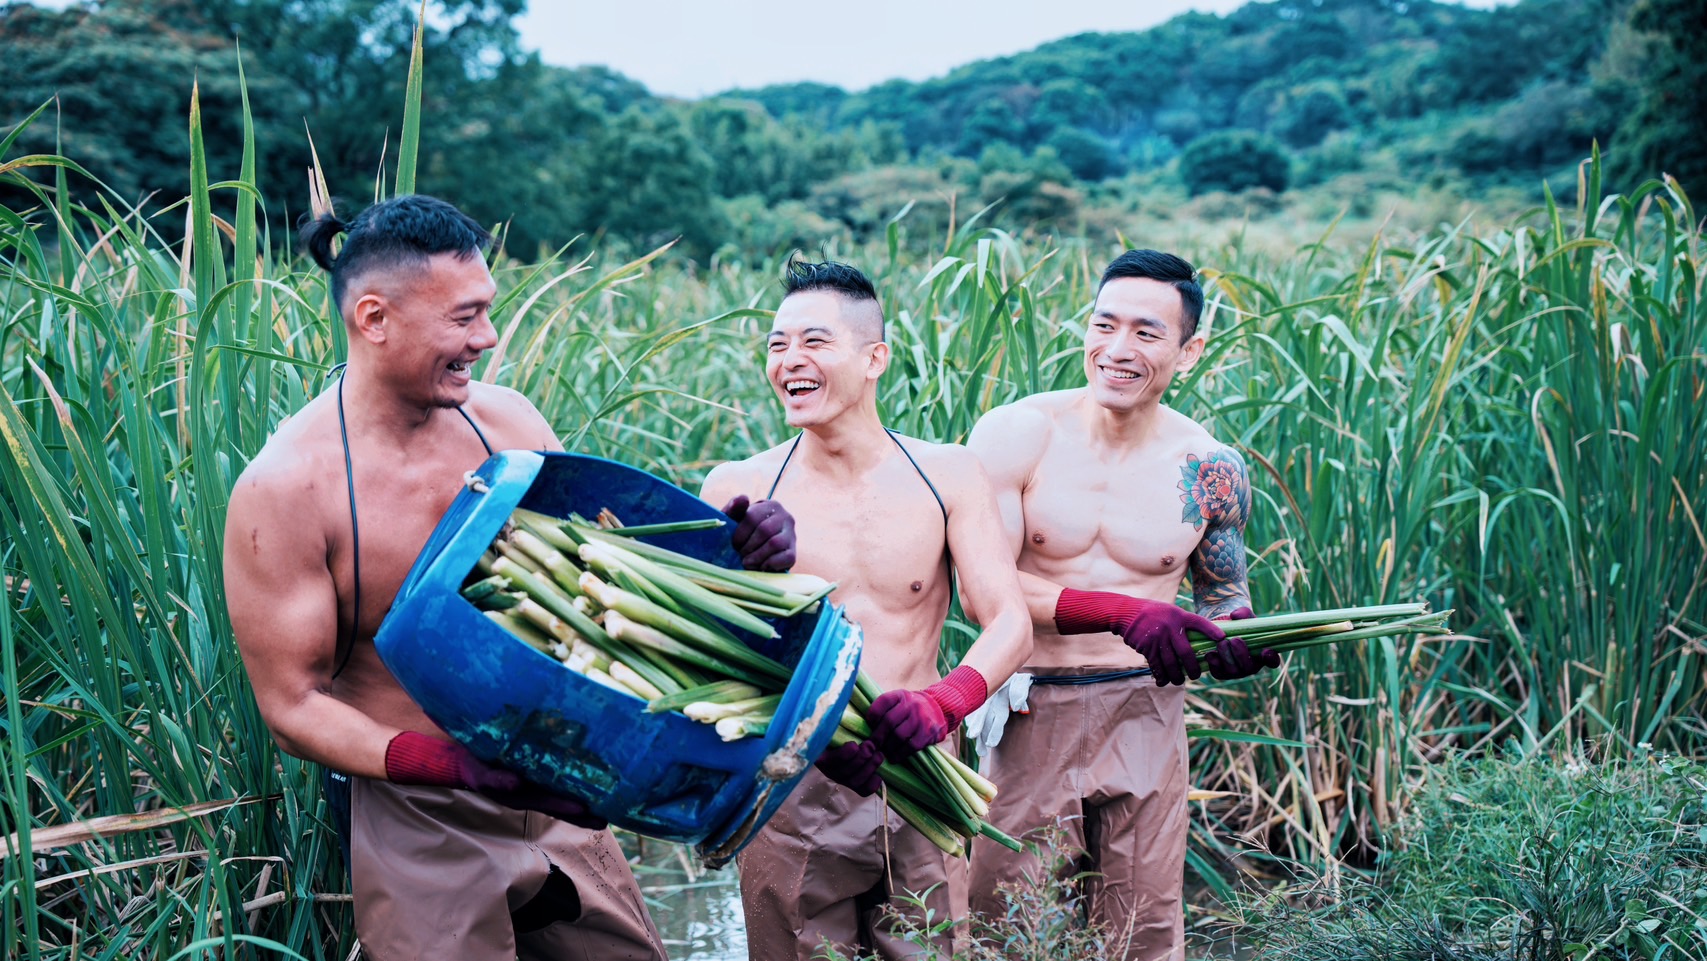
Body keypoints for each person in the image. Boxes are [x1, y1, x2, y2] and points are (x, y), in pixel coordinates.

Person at [223, 194, 795, 960]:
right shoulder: (288, 489)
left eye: (487, 311)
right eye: (464, 317)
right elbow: (292, 707)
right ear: (374, 318)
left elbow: (612, 574)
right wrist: (461, 768)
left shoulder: (508, 424)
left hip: (559, 792)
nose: (487, 338)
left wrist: (735, 554)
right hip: (420, 807)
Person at [700, 259, 1032, 960]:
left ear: (874, 358)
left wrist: (943, 703)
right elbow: (704, 648)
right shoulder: (739, 487)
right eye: (777, 344)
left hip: (920, 771)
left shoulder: (945, 473)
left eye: (814, 341)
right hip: (790, 780)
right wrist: (748, 575)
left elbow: (1010, 621)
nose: (790, 360)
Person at [962, 249, 1279, 961]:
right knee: (1006, 926)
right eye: (1104, 325)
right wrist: (1122, 611)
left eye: (1145, 331)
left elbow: (1223, 595)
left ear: (1188, 350)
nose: (1117, 349)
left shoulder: (1210, 466)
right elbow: (986, 590)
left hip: (1146, 709)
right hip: (1030, 703)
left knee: (1143, 931)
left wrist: (1237, 636)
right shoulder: (1016, 433)